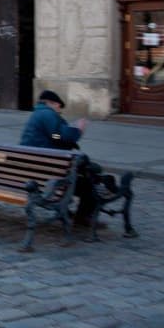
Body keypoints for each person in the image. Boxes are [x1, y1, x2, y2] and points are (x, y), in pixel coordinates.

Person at [19, 90, 99, 226]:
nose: (59, 110)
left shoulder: (37, 114)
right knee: (88, 181)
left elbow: (52, 135)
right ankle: (83, 217)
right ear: (52, 103)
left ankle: (68, 212)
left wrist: (59, 133)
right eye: (59, 107)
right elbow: (57, 135)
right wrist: (77, 130)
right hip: (48, 173)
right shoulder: (48, 114)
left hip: (34, 170)